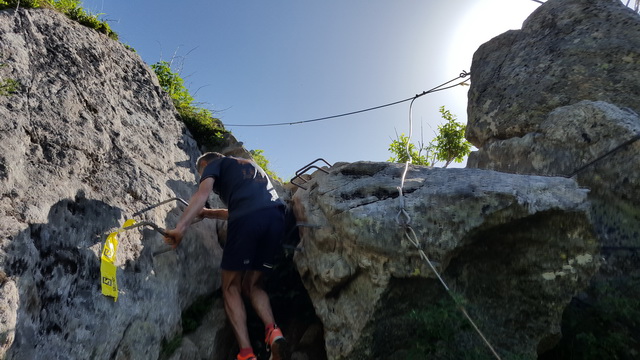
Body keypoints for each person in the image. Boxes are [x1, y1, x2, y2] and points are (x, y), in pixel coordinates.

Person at [163, 152, 288, 360]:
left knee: (231, 287)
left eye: (200, 173)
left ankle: (246, 353)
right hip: (275, 218)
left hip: (248, 221)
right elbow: (245, 208)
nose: (201, 176)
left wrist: (180, 228)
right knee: (253, 285)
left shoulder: (215, 164)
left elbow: (202, 194)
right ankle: (273, 331)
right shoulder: (250, 166)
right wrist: (207, 213)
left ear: (205, 164)